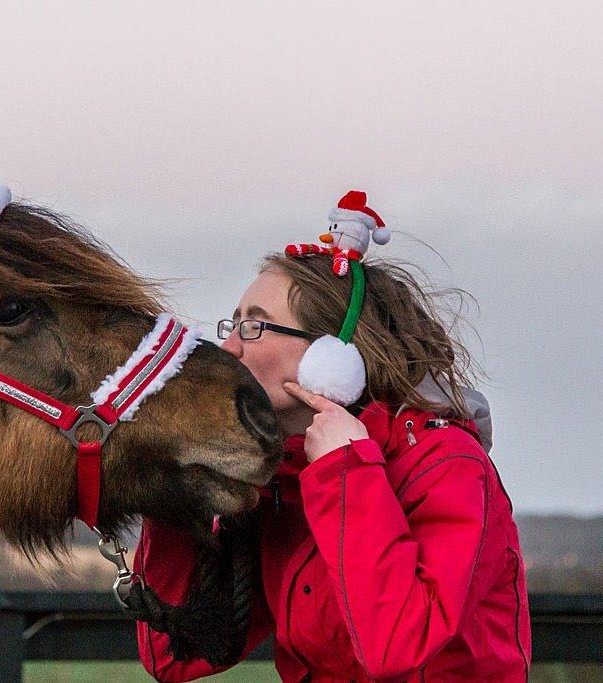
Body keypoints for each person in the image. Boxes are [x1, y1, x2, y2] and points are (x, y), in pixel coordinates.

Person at [132, 194, 532, 682]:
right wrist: (173, 494)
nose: (229, 347)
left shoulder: (446, 465)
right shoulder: (288, 479)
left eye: (253, 325)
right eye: (232, 324)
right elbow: (177, 655)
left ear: (332, 357)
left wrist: (347, 473)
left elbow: (396, 647)